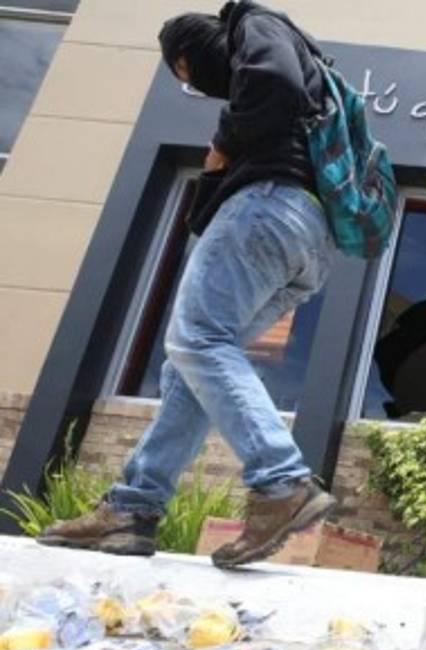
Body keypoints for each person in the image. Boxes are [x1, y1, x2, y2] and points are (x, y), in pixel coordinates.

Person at [38, 1, 337, 568]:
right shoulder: (305, 77)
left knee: (197, 340)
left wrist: (222, 146)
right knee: (190, 365)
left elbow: (269, 78)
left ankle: (281, 482)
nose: (192, 85)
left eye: (186, 71)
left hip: (268, 209)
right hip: (308, 239)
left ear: (194, 49)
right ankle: (134, 508)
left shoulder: (254, 23)